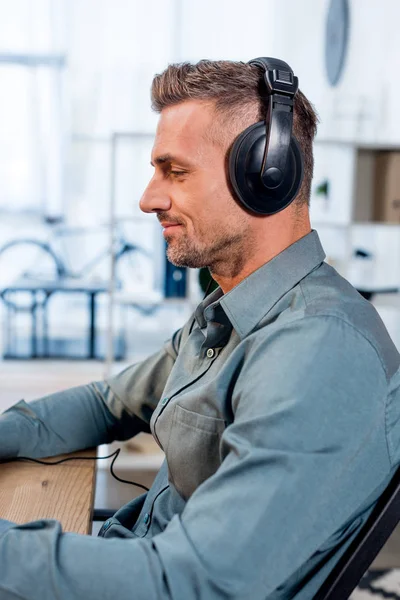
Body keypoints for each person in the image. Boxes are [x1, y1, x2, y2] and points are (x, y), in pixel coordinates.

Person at [0, 57, 399, 600]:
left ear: (266, 176)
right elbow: (108, 403)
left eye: (176, 171)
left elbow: (192, 582)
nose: (148, 198)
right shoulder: (234, 312)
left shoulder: (320, 349)